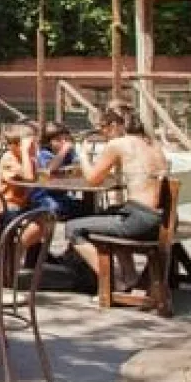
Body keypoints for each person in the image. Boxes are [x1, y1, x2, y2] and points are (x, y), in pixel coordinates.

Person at [64, 105, 170, 291]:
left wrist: (83, 156)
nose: (104, 135)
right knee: (110, 213)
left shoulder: (118, 144)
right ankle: (129, 277)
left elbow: (93, 180)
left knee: (72, 228)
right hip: (164, 219)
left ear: (114, 125)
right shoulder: (152, 143)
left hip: (142, 221)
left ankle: (113, 283)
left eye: (103, 128)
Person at [31, 122, 85, 221]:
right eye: (58, 140)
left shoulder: (70, 154)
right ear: (48, 142)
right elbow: (50, 168)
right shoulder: (44, 154)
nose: (64, 142)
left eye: (66, 139)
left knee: (84, 207)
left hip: (61, 195)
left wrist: (77, 160)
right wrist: (63, 151)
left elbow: (78, 167)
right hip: (44, 195)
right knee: (54, 207)